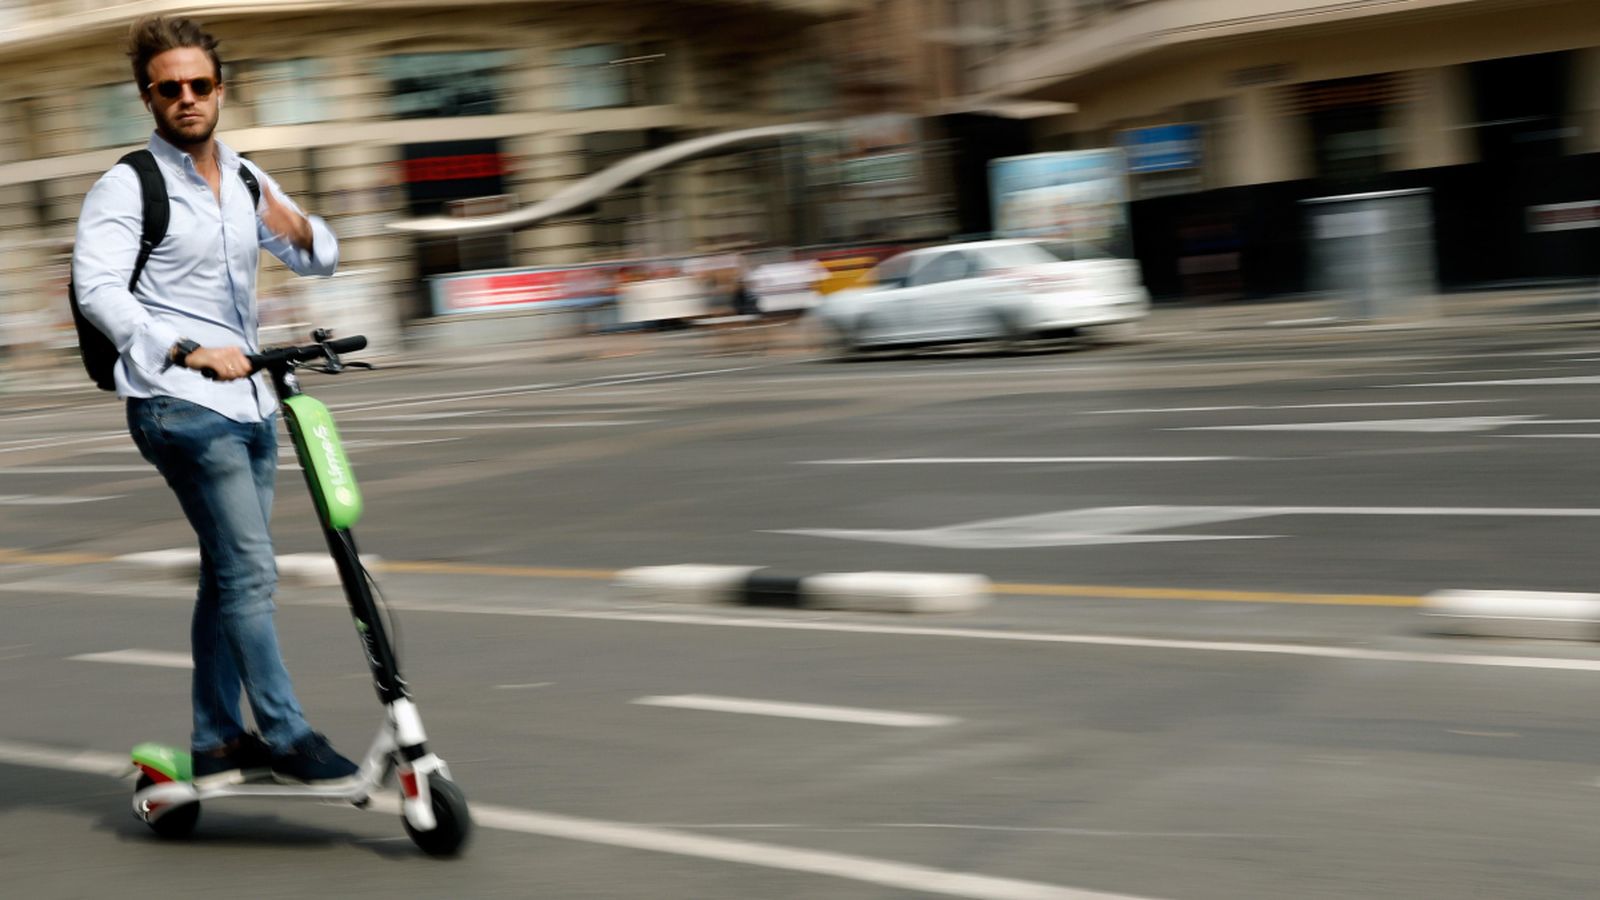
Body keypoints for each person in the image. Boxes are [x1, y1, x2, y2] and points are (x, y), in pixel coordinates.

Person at [72, 16, 359, 787]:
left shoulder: (243, 177)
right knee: (250, 573)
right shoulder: (128, 185)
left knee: (229, 575)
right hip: (179, 405)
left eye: (200, 85)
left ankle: (215, 736)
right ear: (149, 96)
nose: (188, 98)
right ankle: (287, 734)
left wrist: (294, 222)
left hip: (253, 401)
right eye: (171, 89)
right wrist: (184, 349)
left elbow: (317, 256)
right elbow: (98, 289)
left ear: (220, 91)